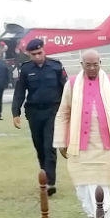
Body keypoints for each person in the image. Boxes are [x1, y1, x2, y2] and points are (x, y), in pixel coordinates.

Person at [54, 49, 110, 218]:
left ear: (100, 63)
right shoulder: (72, 83)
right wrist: (60, 142)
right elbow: (63, 113)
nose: (92, 68)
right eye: (88, 65)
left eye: (95, 65)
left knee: (101, 179)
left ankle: (103, 215)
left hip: (105, 141)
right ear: (82, 65)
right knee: (82, 180)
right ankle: (91, 214)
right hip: (79, 141)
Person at [12, 39, 67, 196]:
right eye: (33, 54)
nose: (37, 56)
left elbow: (66, 89)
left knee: (49, 146)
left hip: (53, 111)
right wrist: (16, 112)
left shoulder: (56, 66)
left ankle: (50, 182)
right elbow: (19, 92)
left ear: (44, 50)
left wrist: (69, 110)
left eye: (39, 53)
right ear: (29, 54)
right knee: (39, 147)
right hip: (34, 112)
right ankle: (45, 175)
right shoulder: (26, 69)